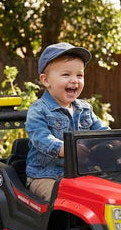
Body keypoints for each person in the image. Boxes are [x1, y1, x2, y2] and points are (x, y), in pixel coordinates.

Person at [25, 42, 109, 200]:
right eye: (66, 75)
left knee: (106, 192)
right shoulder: (38, 111)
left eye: (79, 75)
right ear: (46, 80)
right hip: (46, 176)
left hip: (80, 173)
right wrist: (67, 149)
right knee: (66, 198)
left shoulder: (85, 109)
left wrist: (115, 140)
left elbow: (101, 130)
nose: (74, 80)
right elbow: (41, 139)